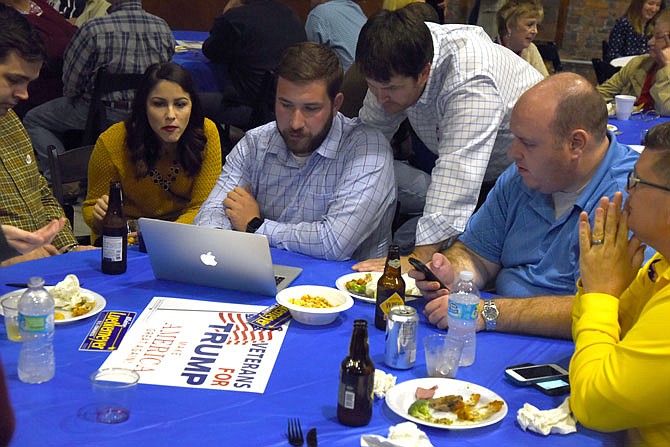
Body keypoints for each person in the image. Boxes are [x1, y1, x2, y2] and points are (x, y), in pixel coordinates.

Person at [409, 73, 639, 339]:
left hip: (575, 353)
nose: (513, 152)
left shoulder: (632, 198)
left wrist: (490, 311)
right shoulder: (523, 175)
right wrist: (453, 274)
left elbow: (610, 308)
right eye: (516, 138)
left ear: (576, 143)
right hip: (495, 331)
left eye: (528, 143)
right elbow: (477, 255)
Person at [353, 8, 543, 269]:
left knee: (497, 268)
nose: (380, 97)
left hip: (532, 177)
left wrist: (417, 260)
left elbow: (456, 178)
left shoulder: (470, 79)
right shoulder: (398, 53)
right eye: (372, 87)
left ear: (424, 73)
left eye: (390, 89)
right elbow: (370, 136)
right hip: (482, 172)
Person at [195, 42, 396, 262]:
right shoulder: (255, 143)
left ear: (336, 104)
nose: (295, 122)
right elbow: (211, 215)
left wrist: (255, 226)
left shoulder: (366, 149)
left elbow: (334, 243)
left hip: (343, 288)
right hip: (262, 275)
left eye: (311, 108)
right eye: (286, 105)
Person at [570, 122, 670, 444]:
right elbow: (598, 347)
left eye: (636, 182)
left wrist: (600, 295)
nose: (627, 192)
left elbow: (593, 403)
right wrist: (602, 289)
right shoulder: (661, 263)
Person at [22, 0, 175, 180]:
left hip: (100, 112)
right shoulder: (162, 27)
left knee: (34, 120)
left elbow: (71, 84)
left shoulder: (93, 29)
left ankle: (62, 177)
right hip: (147, 113)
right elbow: (165, 75)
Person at [82, 62, 222, 244]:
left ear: (192, 106)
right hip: (128, 239)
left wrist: (160, 238)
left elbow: (203, 207)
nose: (171, 115)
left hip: (183, 236)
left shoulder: (206, 132)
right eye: (159, 104)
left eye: (180, 104)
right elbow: (90, 206)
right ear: (144, 106)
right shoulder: (113, 141)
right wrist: (99, 215)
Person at [0, 4, 94, 265]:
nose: (24, 94)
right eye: (14, 80)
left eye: (28, 82)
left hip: (37, 271)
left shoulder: (11, 122)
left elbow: (40, 191)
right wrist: (6, 257)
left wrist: (68, 248)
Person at [201, 0, 306, 130]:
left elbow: (210, 50)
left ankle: (217, 147)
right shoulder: (291, 15)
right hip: (291, 104)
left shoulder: (237, 18)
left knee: (188, 101)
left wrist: (227, 13)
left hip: (250, 106)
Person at [0, 0, 77, 117]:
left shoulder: (38, 4)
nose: (24, 94)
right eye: (13, 79)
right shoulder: (8, 23)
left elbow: (72, 32)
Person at [598, 8, 670, 116]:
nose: (650, 42)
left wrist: (666, 67)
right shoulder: (639, 63)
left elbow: (666, 110)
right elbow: (603, 92)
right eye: (651, 36)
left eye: (658, 37)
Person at [305, 0, 367, 74]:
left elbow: (308, 65)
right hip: (371, 80)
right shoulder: (354, 7)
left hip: (347, 82)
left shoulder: (318, 14)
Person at [495, 0, 549, 77]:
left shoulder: (531, 50)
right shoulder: (492, 51)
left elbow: (544, 83)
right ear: (509, 26)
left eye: (537, 26)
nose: (535, 31)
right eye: (529, 25)